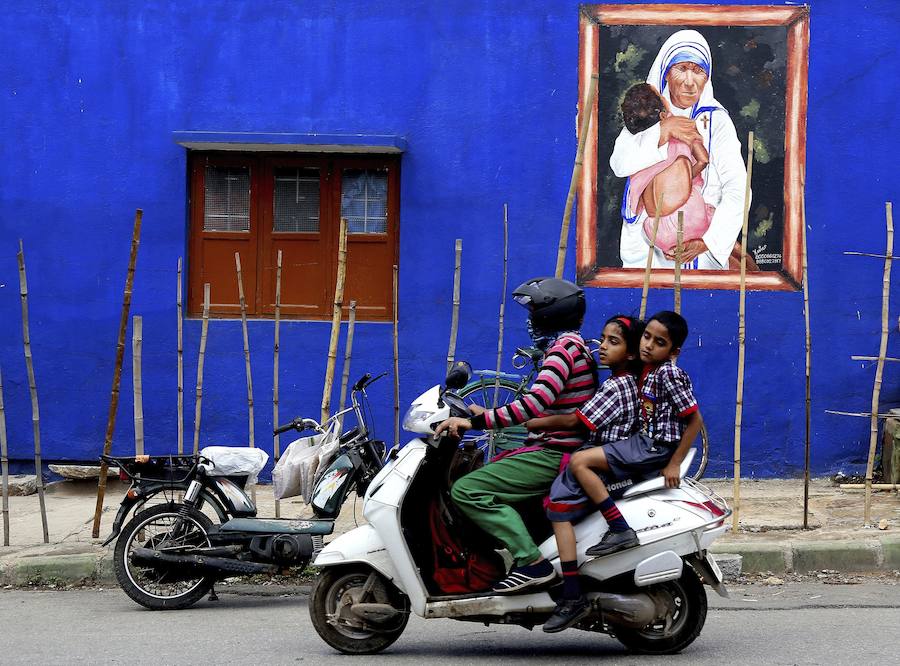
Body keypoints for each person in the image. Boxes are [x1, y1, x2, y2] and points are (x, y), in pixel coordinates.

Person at [434, 277, 598, 594]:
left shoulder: (561, 352)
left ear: (550, 314)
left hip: (552, 454)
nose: (529, 318)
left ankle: (531, 562)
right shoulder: (573, 346)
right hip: (558, 448)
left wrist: (478, 424)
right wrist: (479, 413)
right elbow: (544, 402)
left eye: (534, 310)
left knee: (468, 489)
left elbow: (534, 405)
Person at [524, 314, 644, 633]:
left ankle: (572, 593)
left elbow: (576, 421)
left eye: (613, 342)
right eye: (603, 339)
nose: (602, 347)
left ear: (631, 353)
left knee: (558, 510)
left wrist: (534, 421)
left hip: (604, 462)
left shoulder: (618, 386)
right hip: (605, 457)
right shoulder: (625, 380)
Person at [611, 29, 751, 270]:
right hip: (649, 248)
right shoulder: (646, 111)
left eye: (698, 71)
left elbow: (738, 188)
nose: (689, 81)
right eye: (682, 69)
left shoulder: (716, 121)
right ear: (666, 73)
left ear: (707, 78)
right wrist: (663, 131)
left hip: (700, 244)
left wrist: (708, 241)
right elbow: (619, 164)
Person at [574, 310, 703, 562]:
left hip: (656, 446)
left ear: (674, 352)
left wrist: (674, 463)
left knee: (580, 462)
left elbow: (695, 420)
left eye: (660, 342)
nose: (649, 345)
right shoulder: (648, 368)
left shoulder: (668, 373)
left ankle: (620, 528)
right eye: (646, 337)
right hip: (644, 441)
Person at [619, 83, 712, 256]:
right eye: (661, 97)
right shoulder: (682, 126)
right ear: (662, 115)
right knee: (713, 216)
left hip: (654, 230)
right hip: (689, 216)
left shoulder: (638, 146)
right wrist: (684, 179)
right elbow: (704, 160)